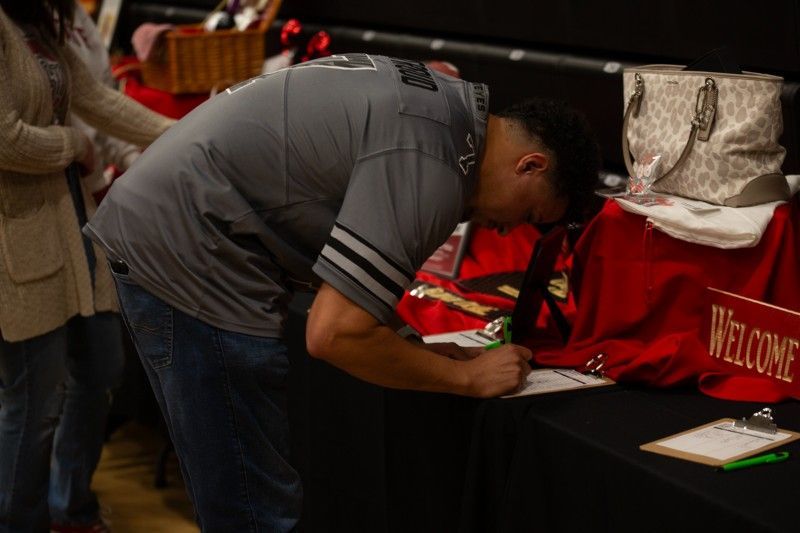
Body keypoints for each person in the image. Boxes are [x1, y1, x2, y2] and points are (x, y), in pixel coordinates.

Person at [84, 53, 600, 531]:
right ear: (530, 165)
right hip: (188, 251)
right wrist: (467, 377)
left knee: (244, 490)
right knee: (250, 504)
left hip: (171, 230)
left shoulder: (443, 110)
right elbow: (332, 335)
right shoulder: (434, 159)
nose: (511, 230)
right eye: (529, 215)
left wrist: (410, 345)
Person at [0, 1, 174, 531]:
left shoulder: (38, 19)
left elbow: (96, 98)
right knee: (33, 402)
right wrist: (74, 144)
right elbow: (5, 137)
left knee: (101, 368)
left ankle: (68, 507)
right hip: (18, 238)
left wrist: (190, 134)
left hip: (70, 222)